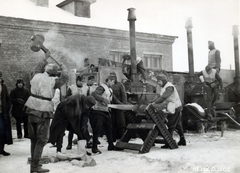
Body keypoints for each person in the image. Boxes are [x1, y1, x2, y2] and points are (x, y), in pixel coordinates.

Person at [25, 51, 69, 173]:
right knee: (43, 139)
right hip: (43, 110)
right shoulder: (52, 81)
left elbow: (37, 68)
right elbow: (65, 78)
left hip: (31, 109)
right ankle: (35, 166)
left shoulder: (35, 76)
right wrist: (64, 68)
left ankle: (33, 166)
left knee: (34, 139)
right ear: (53, 74)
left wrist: (45, 58)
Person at [90, 74, 123, 154]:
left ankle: (111, 145)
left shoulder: (110, 90)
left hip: (106, 111)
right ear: (108, 80)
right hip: (98, 111)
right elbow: (94, 94)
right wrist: (103, 99)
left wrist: (122, 105)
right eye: (112, 82)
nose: (113, 84)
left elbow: (114, 100)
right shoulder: (102, 87)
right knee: (97, 130)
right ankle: (94, 147)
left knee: (109, 129)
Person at [152, 73, 186, 148]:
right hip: (172, 107)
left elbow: (164, 97)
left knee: (171, 124)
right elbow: (160, 96)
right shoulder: (164, 87)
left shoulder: (169, 87)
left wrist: (154, 103)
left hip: (175, 107)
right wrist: (153, 102)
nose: (158, 83)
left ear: (162, 81)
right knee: (178, 125)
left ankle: (169, 142)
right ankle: (182, 140)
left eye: (159, 81)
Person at [65, 75, 92, 150]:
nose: (82, 83)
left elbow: (88, 97)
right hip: (73, 110)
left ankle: (81, 144)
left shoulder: (86, 88)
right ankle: (69, 143)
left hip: (83, 109)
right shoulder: (71, 87)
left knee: (82, 126)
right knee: (71, 127)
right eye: (81, 81)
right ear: (77, 81)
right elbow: (66, 98)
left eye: (83, 81)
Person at [109, 72, 127, 141]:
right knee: (112, 122)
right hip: (112, 106)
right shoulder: (110, 85)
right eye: (111, 77)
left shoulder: (120, 85)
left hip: (119, 106)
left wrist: (124, 106)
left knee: (121, 123)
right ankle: (113, 138)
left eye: (113, 77)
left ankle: (123, 138)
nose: (112, 78)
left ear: (116, 77)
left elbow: (124, 95)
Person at [0, 71, 12, 156]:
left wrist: (7, 107)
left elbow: (8, 99)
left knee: (2, 131)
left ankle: (1, 149)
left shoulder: (3, 87)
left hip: (2, 113)